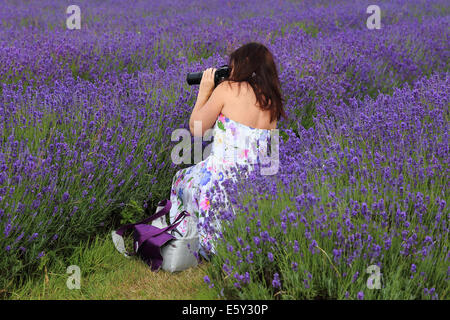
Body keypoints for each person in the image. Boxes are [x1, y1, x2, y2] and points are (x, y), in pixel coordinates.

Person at [168, 42, 286, 260]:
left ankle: (192, 234)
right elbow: (271, 155)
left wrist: (204, 92)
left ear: (242, 66)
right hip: (253, 184)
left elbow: (196, 128)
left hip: (219, 181)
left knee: (181, 179)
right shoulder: (272, 103)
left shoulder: (227, 90)